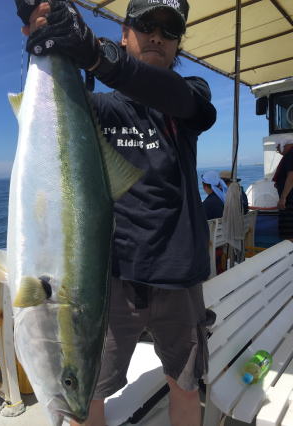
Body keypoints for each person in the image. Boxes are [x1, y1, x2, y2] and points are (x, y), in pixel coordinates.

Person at [16, 1, 217, 425]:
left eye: (169, 28)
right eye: (146, 24)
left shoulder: (189, 99)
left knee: (185, 385)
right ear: (126, 33)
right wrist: (39, 26)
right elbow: (50, 118)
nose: (157, 36)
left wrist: (96, 54)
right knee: (86, 391)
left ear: (179, 43)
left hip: (179, 280)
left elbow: (176, 96)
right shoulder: (98, 109)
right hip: (109, 283)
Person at [273, 139, 293, 239]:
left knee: (289, 233)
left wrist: (283, 197)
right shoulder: (288, 155)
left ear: (286, 146)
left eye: (279, 148)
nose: (278, 151)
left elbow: (291, 176)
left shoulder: (291, 154)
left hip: (289, 201)